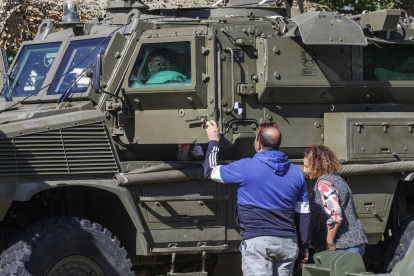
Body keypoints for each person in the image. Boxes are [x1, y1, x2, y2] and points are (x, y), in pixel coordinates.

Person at [204, 121, 310, 276]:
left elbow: (211, 171)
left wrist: (214, 140)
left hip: (258, 245)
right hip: (287, 245)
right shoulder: (296, 173)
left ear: (259, 144)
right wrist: (304, 247)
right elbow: (303, 214)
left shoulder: (246, 167)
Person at [303, 143, 369, 256]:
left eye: (307, 166)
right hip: (355, 242)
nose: (304, 170)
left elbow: (335, 214)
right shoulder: (336, 178)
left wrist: (330, 242)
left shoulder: (323, 183)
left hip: (343, 246)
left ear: (317, 165)